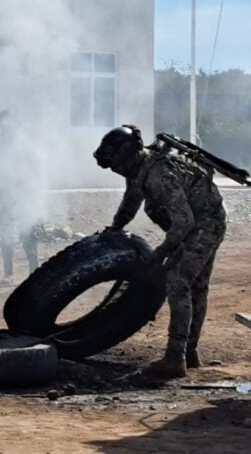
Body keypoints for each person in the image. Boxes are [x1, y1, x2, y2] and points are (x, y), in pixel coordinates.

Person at [93, 124, 226, 379]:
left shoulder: (159, 175)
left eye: (116, 163)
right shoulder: (137, 168)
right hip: (199, 222)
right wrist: (115, 228)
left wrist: (161, 253)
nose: (115, 169)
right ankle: (188, 353)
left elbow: (184, 222)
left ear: (129, 155)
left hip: (205, 224)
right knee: (194, 286)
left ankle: (176, 358)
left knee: (179, 282)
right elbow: (131, 201)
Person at [0, 110, 41, 281]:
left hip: (23, 193)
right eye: (3, 122)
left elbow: (35, 168)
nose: (6, 126)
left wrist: (32, 192)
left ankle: (34, 272)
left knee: (28, 232)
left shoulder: (25, 145)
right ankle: (8, 273)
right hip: (4, 194)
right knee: (5, 233)